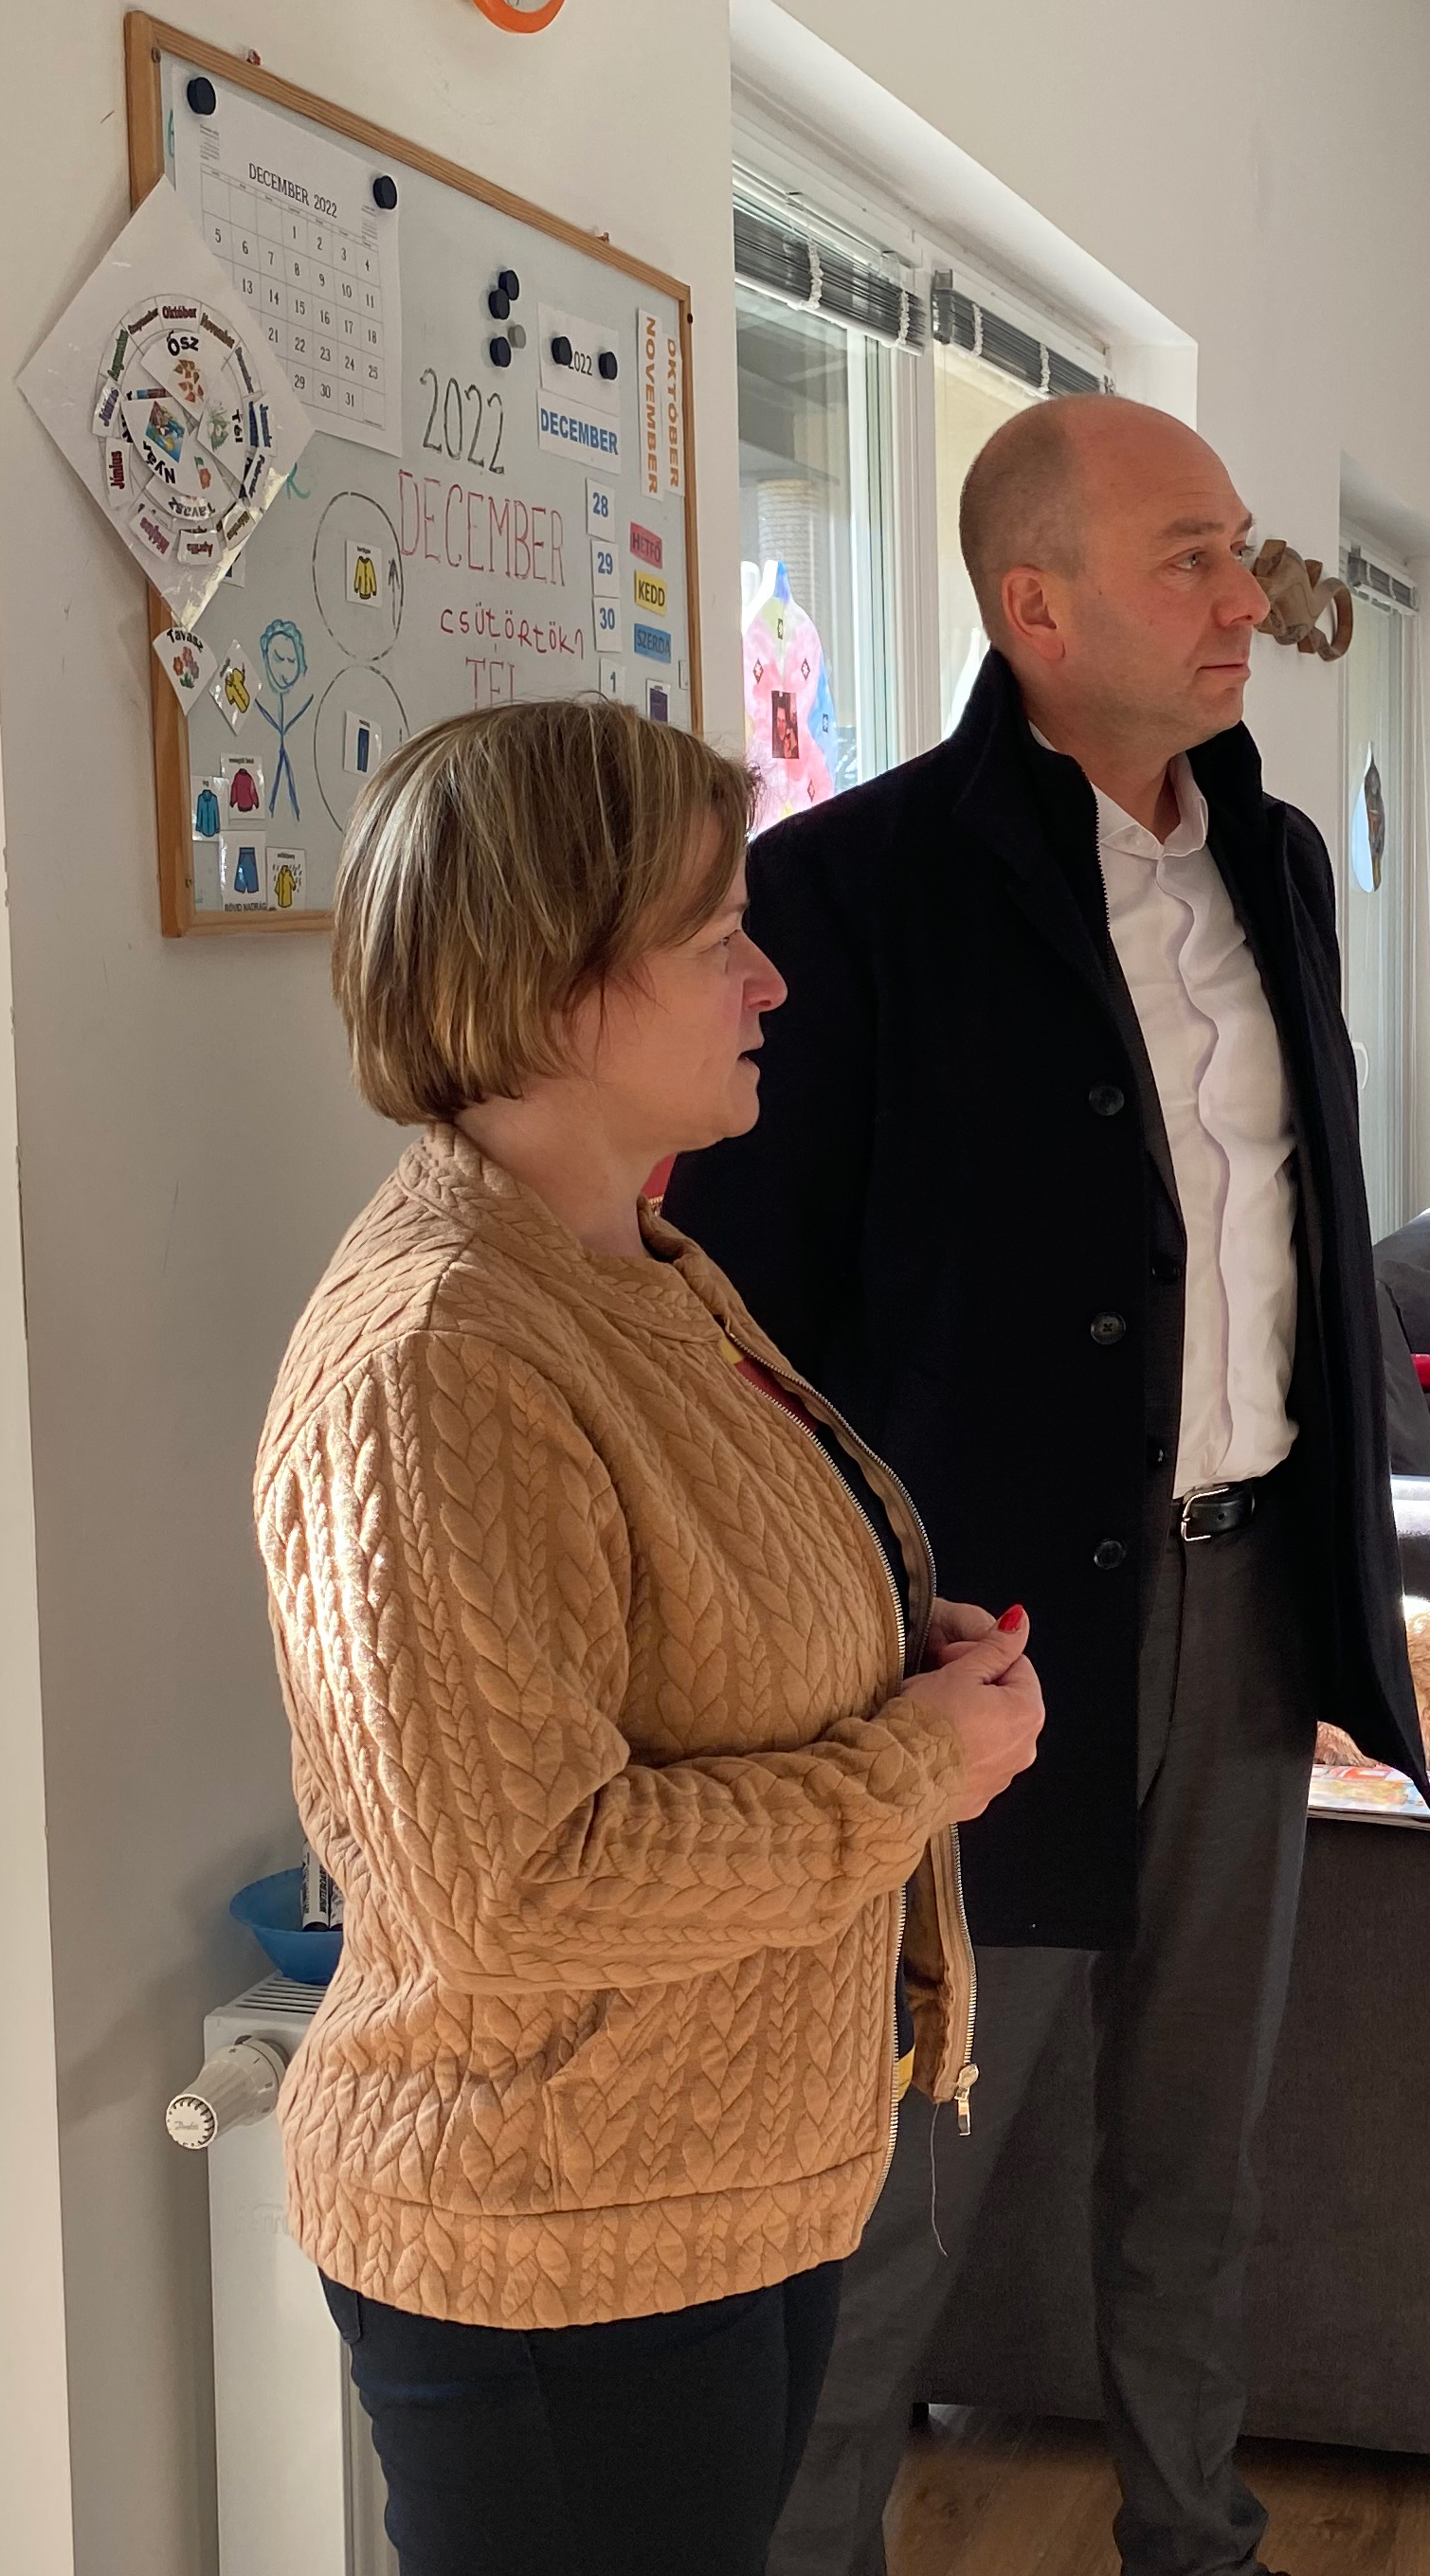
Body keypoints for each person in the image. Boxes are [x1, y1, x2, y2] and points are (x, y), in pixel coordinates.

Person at [663, 396, 1426, 2576]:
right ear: (1035, 607)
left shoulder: (1277, 868)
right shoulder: (846, 894)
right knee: (900, 2183)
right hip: (975, 1644)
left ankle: (1196, 2541)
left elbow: (1292, 1236)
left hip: (1248, 1596)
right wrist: (856, 1630)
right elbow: (751, 1330)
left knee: (1195, 2152)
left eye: (1237, 548)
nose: (1243, 597)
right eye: (1189, 558)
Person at [255, 697, 1048, 2576]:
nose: (768, 982)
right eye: (715, 942)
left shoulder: (631, 1268)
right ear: (548, 987)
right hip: (560, 2243)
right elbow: (524, 1883)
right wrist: (911, 1766)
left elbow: (678, 1616)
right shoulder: (439, 1359)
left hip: (708, 2199)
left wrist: (879, 1641)